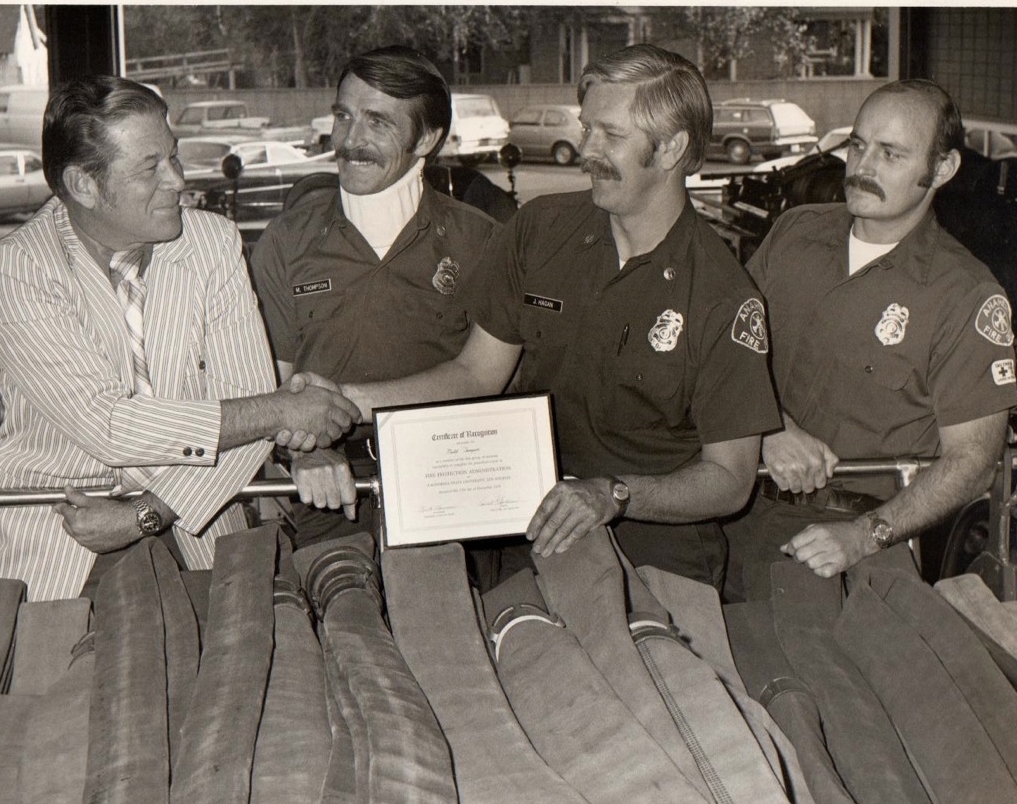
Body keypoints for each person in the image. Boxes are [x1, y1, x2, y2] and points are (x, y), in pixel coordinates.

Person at [297, 44, 782, 589]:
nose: (586, 151)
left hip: (657, 556)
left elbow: (729, 480)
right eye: (586, 128)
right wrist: (339, 401)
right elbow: (476, 375)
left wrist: (614, 495)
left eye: (610, 136)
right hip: (533, 543)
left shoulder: (723, 296)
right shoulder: (540, 231)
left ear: (671, 148)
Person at [0, 75, 360, 602]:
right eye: (150, 168)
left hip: (198, 534)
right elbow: (109, 425)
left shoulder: (212, 244)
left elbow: (247, 406)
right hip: (56, 545)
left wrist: (148, 513)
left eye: (172, 157)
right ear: (84, 185)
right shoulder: (16, 269)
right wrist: (280, 411)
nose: (178, 179)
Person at [723, 79, 1016, 600]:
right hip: (732, 498)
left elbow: (972, 463)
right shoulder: (794, 234)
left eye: (891, 153)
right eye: (857, 145)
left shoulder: (965, 296)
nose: (861, 168)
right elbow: (724, 344)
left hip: (854, 542)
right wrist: (769, 425)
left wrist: (863, 536)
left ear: (942, 169)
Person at [251, 46, 498, 547]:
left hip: (453, 482)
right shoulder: (286, 240)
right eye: (343, 117)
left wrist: (342, 403)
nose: (349, 140)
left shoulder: (482, 242)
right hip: (328, 485)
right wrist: (303, 454)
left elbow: (484, 376)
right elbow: (268, 386)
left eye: (377, 123)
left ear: (426, 138)